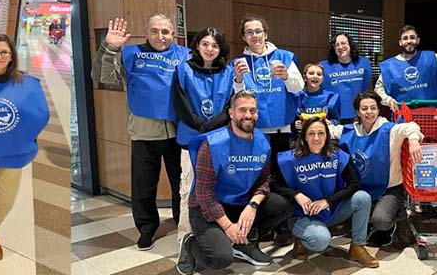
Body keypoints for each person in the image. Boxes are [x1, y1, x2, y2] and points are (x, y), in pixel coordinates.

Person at [91, 15, 189, 250]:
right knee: (143, 186)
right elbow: (102, 76)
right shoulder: (131, 54)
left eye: (165, 31)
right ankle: (146, 228)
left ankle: (183, 223)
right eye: (154, 31)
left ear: (173, 33)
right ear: (146, 32)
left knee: (182, 183)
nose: (160, 36)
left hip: (179, 132)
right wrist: (110, 47)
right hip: (144, 133)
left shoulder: (185, 55)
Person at [175, 91, 291, 274]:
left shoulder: (263, 142)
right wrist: (228, 227)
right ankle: (190, 244)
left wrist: (252, 206)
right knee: (220, 258)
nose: (248, 115)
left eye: (253, 110)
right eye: (242, 110)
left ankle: (245, 243)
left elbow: (264, 181)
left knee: (283, 206)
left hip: (240, 202)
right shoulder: (212, 144)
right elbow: (204, 194)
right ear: (231, 113)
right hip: (208, 206)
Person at [0, 34, 50, 259]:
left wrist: (29, 138)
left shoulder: (26, 84)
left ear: (12, 56)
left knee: (5, 199)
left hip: (13, 152)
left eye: (4, 52)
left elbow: (39, 115)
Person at [277, 116, 379, 266]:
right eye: (311, 133)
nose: (316, 138)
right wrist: (296, 194)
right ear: (304, 137)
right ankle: (301, 239)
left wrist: (328, 201)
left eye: (321, 133)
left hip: (330, 210)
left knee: (362, 197)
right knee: (321, 241)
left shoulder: (338, 155)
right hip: (302, 215)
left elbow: (354, 184)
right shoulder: (290, 159)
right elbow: (275, 185)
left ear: (327, 136)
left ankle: (358, 247)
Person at [336, 90, 422, 247]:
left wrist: (414, 140)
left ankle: (395, 218)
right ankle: (370, 216)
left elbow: (411, 127)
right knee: (344, 213)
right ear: (358, 112)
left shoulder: (390, 129)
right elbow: (326, 130)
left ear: (378, 110)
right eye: (364, 108)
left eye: (373, 108)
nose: (369, 112)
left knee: (381, 220)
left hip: (388, 189)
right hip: (361, 190)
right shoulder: (349, 130)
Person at [173, 27, 234, 240]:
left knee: (219, 187)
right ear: (197, 46)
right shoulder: (183, 70)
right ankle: (185, 236)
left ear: (221, 49)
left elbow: (230, 106)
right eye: (205, 44)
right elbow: (181, 104)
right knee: (188, 188)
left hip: (219, 138)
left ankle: (218, 234)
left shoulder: (228, 73)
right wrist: (201, 127)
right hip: (191, 138)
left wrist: (211, 127)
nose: (210, 49)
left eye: (215, 45)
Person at [232, 15, 304, 167]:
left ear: (265, 34)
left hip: (281, 127)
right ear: (244, 37)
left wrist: (286, 76)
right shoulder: (239, 62)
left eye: (258, 31)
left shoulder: (284, 56)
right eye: (249, 32)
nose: (254, 35)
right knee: (258, 171)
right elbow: (237, 97)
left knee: (281, 172)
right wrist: (238, 79)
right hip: (254, 127)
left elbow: (298, 87)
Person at [375, 24, 437, 108]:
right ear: (400, 42)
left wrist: (436, 80)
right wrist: (388, 100)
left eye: (412, 37)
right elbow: (378, 88)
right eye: (405, 38)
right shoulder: (389, 66)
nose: (409, 41)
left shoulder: (431, 58)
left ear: (418, 40)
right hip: (403, 114)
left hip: (431, 113)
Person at [320, 33, 373, 122]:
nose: (340, 47)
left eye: (343, 43)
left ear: (350, 45)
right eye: (337, 45)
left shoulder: (364, 63)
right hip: (334, 117)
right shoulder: (324, 67)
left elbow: (368, 89)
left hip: (360, 115)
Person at [293, 63, 340, 129]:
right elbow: (291, 120)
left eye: (319, 74)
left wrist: (330, 123)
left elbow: (336, 120)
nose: (315, 76)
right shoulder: (297, 97)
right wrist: (295, 124)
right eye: (311, 73)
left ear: (322, 79)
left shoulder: (331, 97)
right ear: (304, 77)